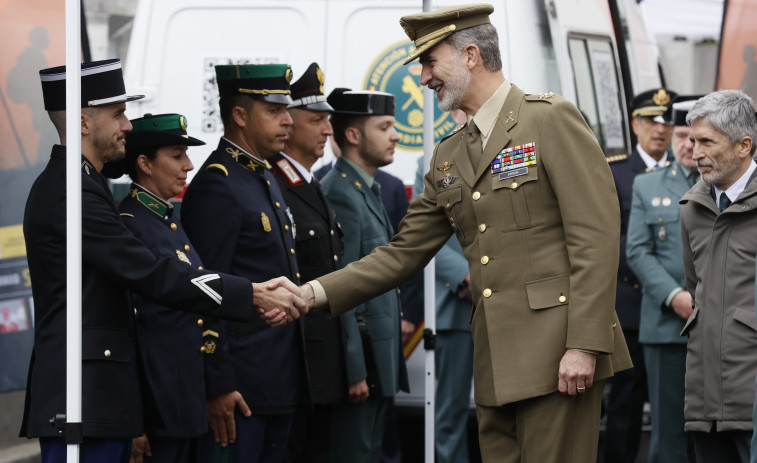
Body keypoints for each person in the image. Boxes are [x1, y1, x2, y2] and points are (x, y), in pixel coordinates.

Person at [290, 4, 632, 462]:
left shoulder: (549, 120)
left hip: (560, 356)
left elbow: (595, 237)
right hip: (495, 363)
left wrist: (584, 345)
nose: (424, 77)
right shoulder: (449, 154)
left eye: (431, 62)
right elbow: (402, 252)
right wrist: (311, 293)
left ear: (470, 55)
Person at [20, 59, 303, 463]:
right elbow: (149, 271)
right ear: (84, 122)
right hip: (85, 395)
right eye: (118, 114)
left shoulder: (84, 186)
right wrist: (251, 292)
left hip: (102, 394)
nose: (128, 126)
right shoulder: (72, 192)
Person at [180, 63, 307, 463]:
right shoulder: (218, 184)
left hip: (276, 377)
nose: (288, 120)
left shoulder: (262, 175)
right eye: (274, 110)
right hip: (240, 387)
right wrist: (216, 384)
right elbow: (203, 291)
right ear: (239, 116)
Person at [101, 112, 217, 462]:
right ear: (144, 164)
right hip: (157, 411)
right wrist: (135, 418)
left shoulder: (165, 222)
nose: (189, 165)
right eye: (177, 155)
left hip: (184, 404)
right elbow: (128, 329)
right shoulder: (132, 227)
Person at [319, 87, 408, 463]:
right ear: (353, 136)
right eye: (385, 126)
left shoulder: (365, 188)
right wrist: (355, 370)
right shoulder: (340, 192)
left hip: (377, 360)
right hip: (362, 367)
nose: (396, 135)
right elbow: (342, 290)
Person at [268, 63, 348, 463]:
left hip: (321, 364)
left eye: (328, 121)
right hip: (291, 364)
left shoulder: (310, 183)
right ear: (288, 123)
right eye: (316, 120)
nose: (327, 131)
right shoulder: (276, 184)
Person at [680, 89, 757, 463]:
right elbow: (697, 291)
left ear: (744, 145)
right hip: (705, 406)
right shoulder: (692, 208)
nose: (695, 153)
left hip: (752, 406)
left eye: (707, 141)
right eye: (693, 141)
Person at [626, 96, 701, 463]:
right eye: (682, 135)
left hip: (721, 330)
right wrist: (674, 296)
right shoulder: (647, 186)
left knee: (719, 433)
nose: (689, 145)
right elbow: (637, 251)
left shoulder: (728, 185)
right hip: (667, 326)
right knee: (669, 437)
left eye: (697, 137)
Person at [605, 87, 677, 463]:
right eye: (651, 120)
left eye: (667, 122)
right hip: (631, 304)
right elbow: (609, 239)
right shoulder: (615, 172)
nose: (660, 130)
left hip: (675, 307)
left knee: (674, 407)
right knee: (625, 406)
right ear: (635, 124)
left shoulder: (686, 173)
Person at [413, 155, 473, 463]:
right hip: (457, 307)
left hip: (510, 305)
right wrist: (465, 275)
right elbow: (422, 234)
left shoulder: (516, 149)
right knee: (451, 411)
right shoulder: (435, 161)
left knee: (513, 408)